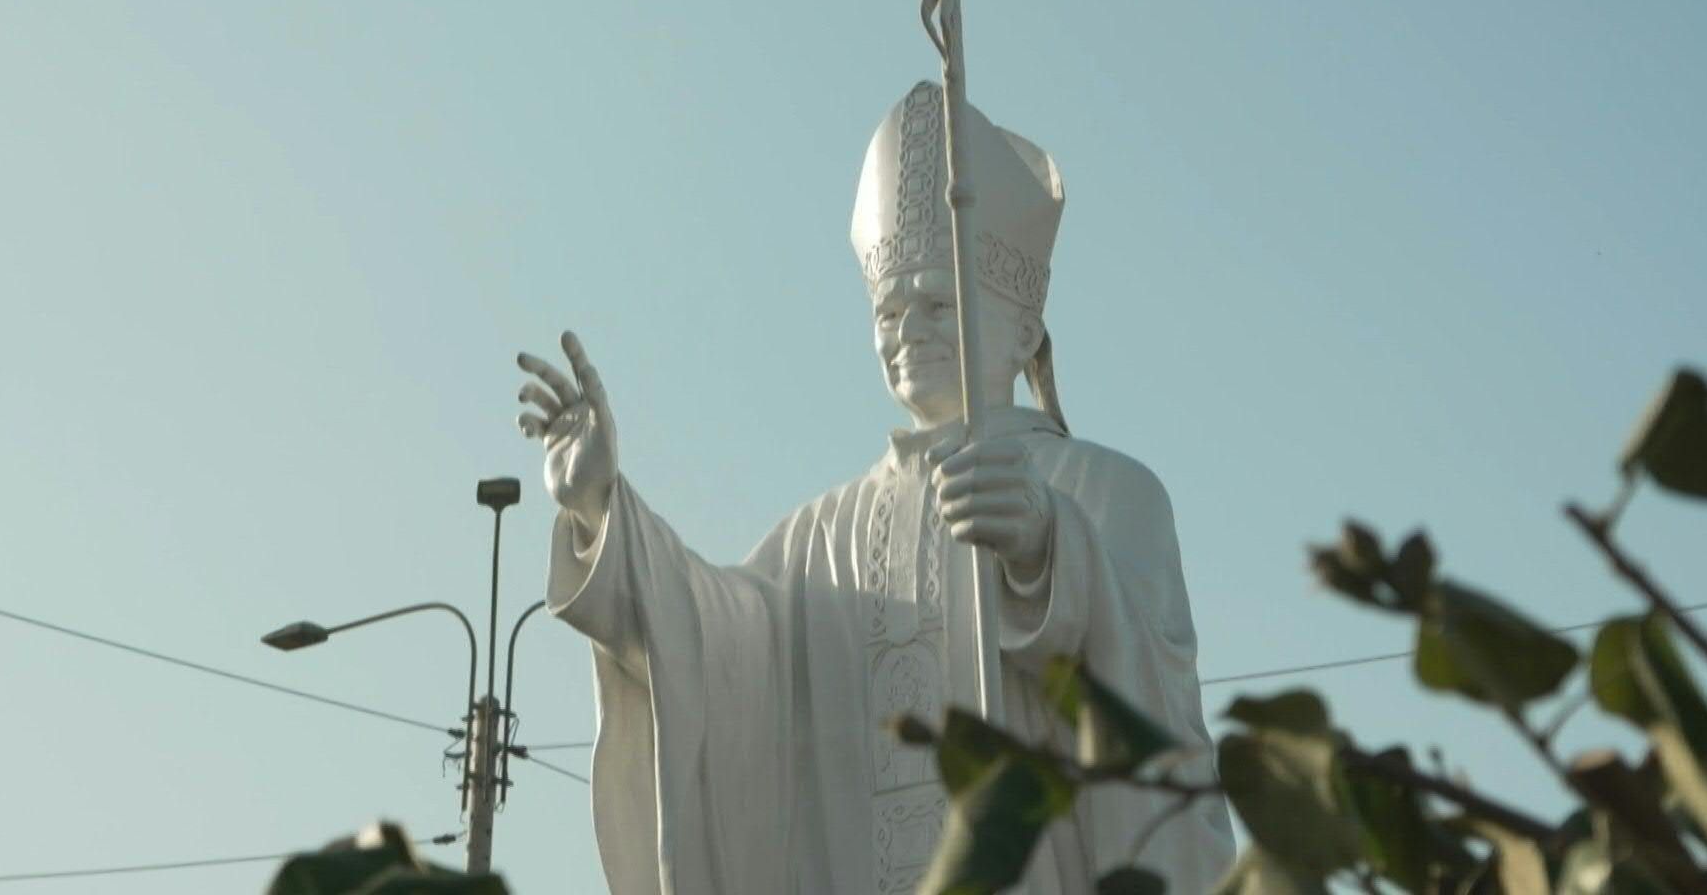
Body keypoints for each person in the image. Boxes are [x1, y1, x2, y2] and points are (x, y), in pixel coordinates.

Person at [515, 82, 1235, 893]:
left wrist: (1050, 556)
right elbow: (711, 652)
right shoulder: (819, 540)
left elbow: (1157, 730)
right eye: (889, 310)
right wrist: (599, 509)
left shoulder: (1109, 493)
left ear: (1024, 328)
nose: (907, 330)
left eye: (936, 300)